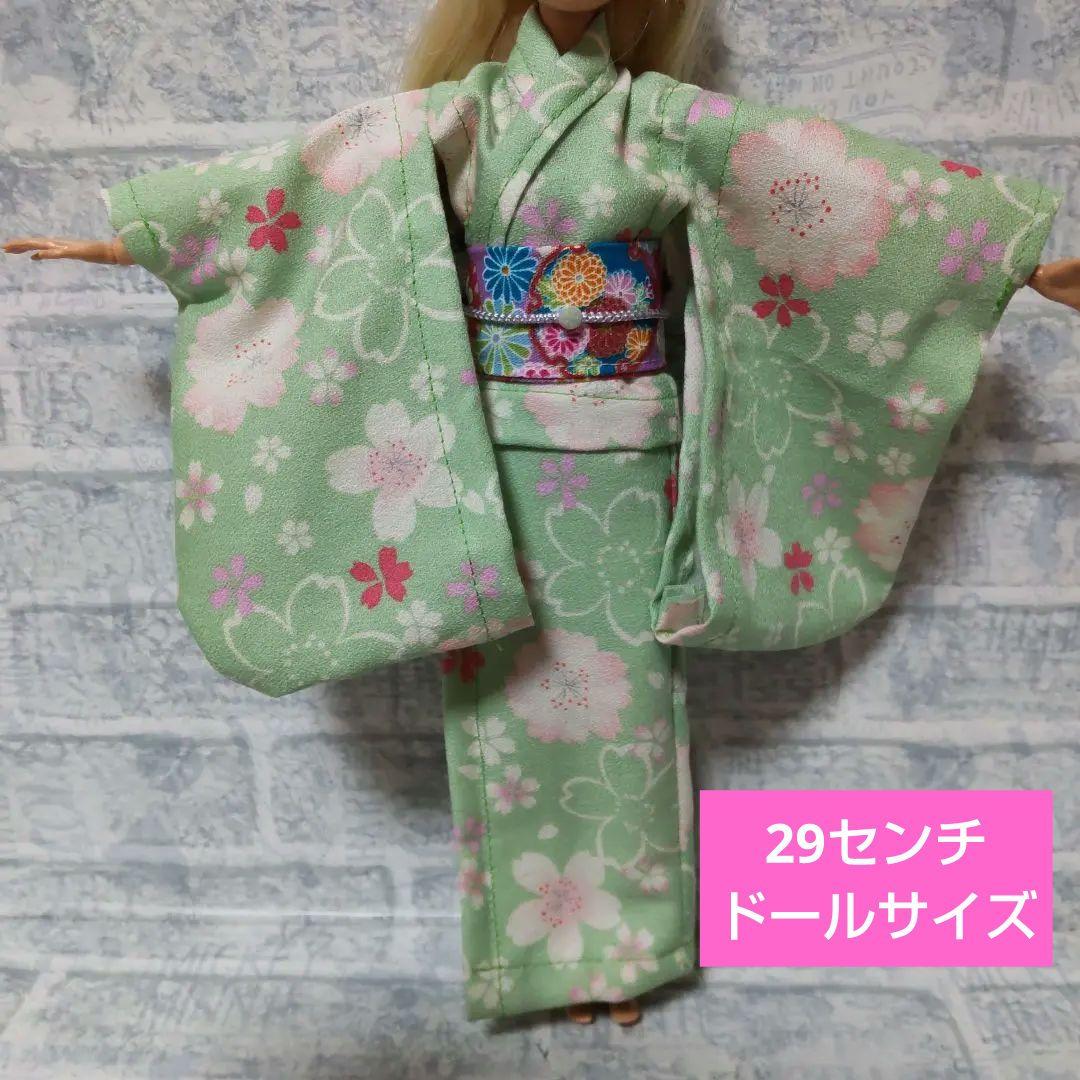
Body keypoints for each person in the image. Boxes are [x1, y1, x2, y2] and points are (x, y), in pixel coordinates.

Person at [4, 0, 1077, 1027]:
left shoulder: (654, 119)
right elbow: (306, 184)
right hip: (488, 462)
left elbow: (830, 187)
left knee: (630, 707)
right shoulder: (461, 115)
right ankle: (539, 953)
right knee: (505, 712)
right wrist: (150, 239)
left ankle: (626, 950)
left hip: (623, 457)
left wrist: (1008, 263)